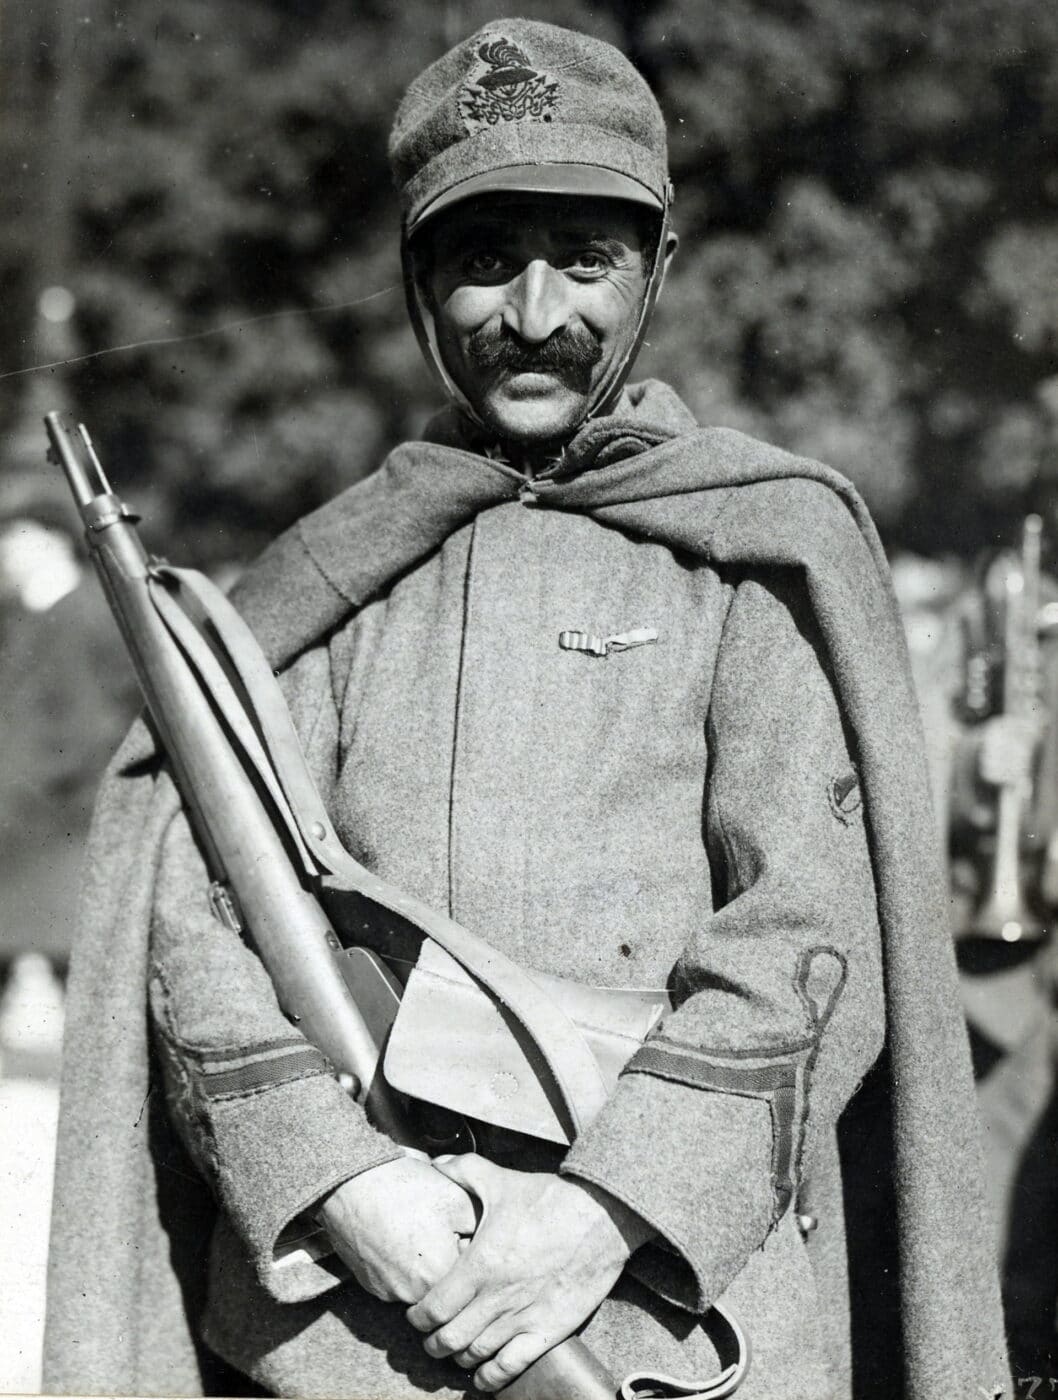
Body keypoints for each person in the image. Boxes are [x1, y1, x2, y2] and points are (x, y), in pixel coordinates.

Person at [45, 19, 1008, 1400]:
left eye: (585, 259)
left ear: (658, 273)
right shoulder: (334, 576)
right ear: (415, 281)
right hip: (349, 1332)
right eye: (487, 260)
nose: (538, 313)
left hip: (665, 1329)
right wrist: (343, 1187)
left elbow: (806, 935)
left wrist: (595, 1215)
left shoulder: (755, 557)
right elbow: (195, 924)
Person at [897, 539, 1058, 1386]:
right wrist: (972, 762)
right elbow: (912, 749)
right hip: (1012, 977)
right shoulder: (1003, 605)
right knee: (1002, 1250)